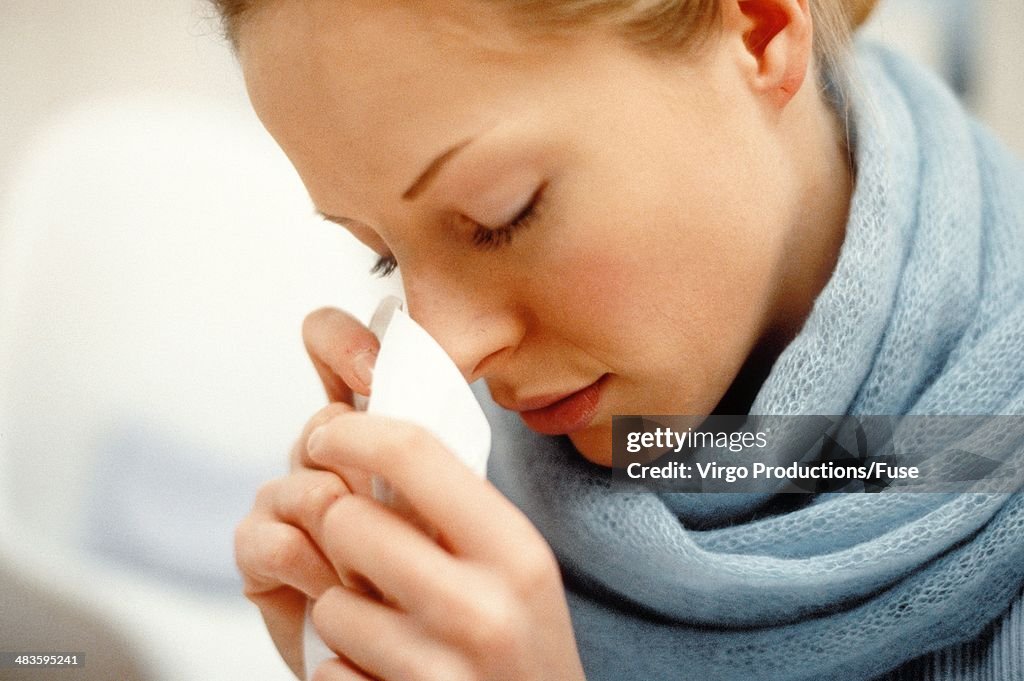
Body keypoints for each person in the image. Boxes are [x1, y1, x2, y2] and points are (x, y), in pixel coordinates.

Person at [224, 1, 1024, 679]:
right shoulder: (479, 511)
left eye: (502, 215)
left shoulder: (994, 454)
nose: (451, 351)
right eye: (385, 256)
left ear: (758, 29)